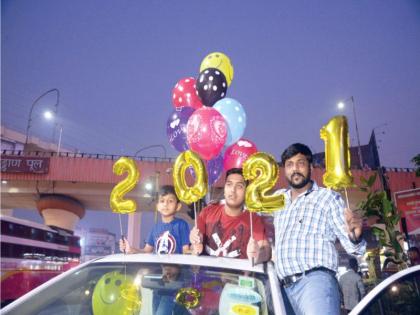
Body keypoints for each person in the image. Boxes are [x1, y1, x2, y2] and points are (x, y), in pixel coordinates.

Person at [274, 143, 366, 315]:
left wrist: (356, 237)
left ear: (310, 167)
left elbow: (354, 247)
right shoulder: (277, 200)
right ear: (284, 170)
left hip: (315, 283)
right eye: (289, 165)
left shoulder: (327, 198)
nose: (295, 169)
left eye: (300, 163)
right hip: (281, 289)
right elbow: (249, 209)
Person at [190, 168, 271, 263]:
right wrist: (194, 240)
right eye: (229, 184)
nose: (233, 190)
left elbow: (266, 250)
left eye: (239, 186)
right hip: (206, 275)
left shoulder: (253, 219)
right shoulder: (208, 212)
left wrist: (258, 254)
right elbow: (195, 242)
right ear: (224, 189)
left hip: (238, 277)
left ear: (247, 192)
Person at [120, 185, 190, 254]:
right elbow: (146, 251)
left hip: (177, 265)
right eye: (162, 201)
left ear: (178, 206)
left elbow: (186, 251)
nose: (165, 204)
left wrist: (194, 250)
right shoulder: (155, 228)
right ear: (157, 206)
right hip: (159, 265)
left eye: (170, 201)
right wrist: (131, 249)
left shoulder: (181, 225)